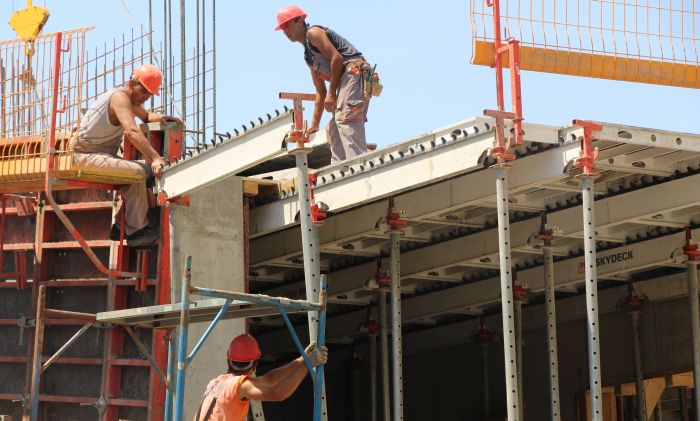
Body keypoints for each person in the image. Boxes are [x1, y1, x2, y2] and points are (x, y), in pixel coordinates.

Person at [72, 64, 180, 246]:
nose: (146, 97)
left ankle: (121, 225)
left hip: (97, 155)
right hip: (86, 156)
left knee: (136, 174)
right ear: (132, 83)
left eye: (150, 94)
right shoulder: (120, 98)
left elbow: (145, 117)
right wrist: (155, 157)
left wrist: (162, 119)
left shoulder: (128, 98)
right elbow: (131, 131)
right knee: (141, 174)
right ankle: (137, 230)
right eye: (144, 92)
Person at [276, 5, 374, 163]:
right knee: (334, 128)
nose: (285, 31)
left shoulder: (313, 33)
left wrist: (332, 93)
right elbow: (320, 91)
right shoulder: (309, 57)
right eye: (282, 28)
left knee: (345, 118)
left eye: (287, 25)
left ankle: (359, 165)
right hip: (346, 79)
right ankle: (341, 169)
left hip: (355, 72)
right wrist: (314, 124)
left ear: (300, 20)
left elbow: (337, 58)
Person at [194, 333, 328, 421]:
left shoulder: (218, 382)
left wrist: (301, 360)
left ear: (229, 360)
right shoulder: (240, 386)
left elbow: (269, 380)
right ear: (255, 365)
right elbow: (277, 394)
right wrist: (307, 365)